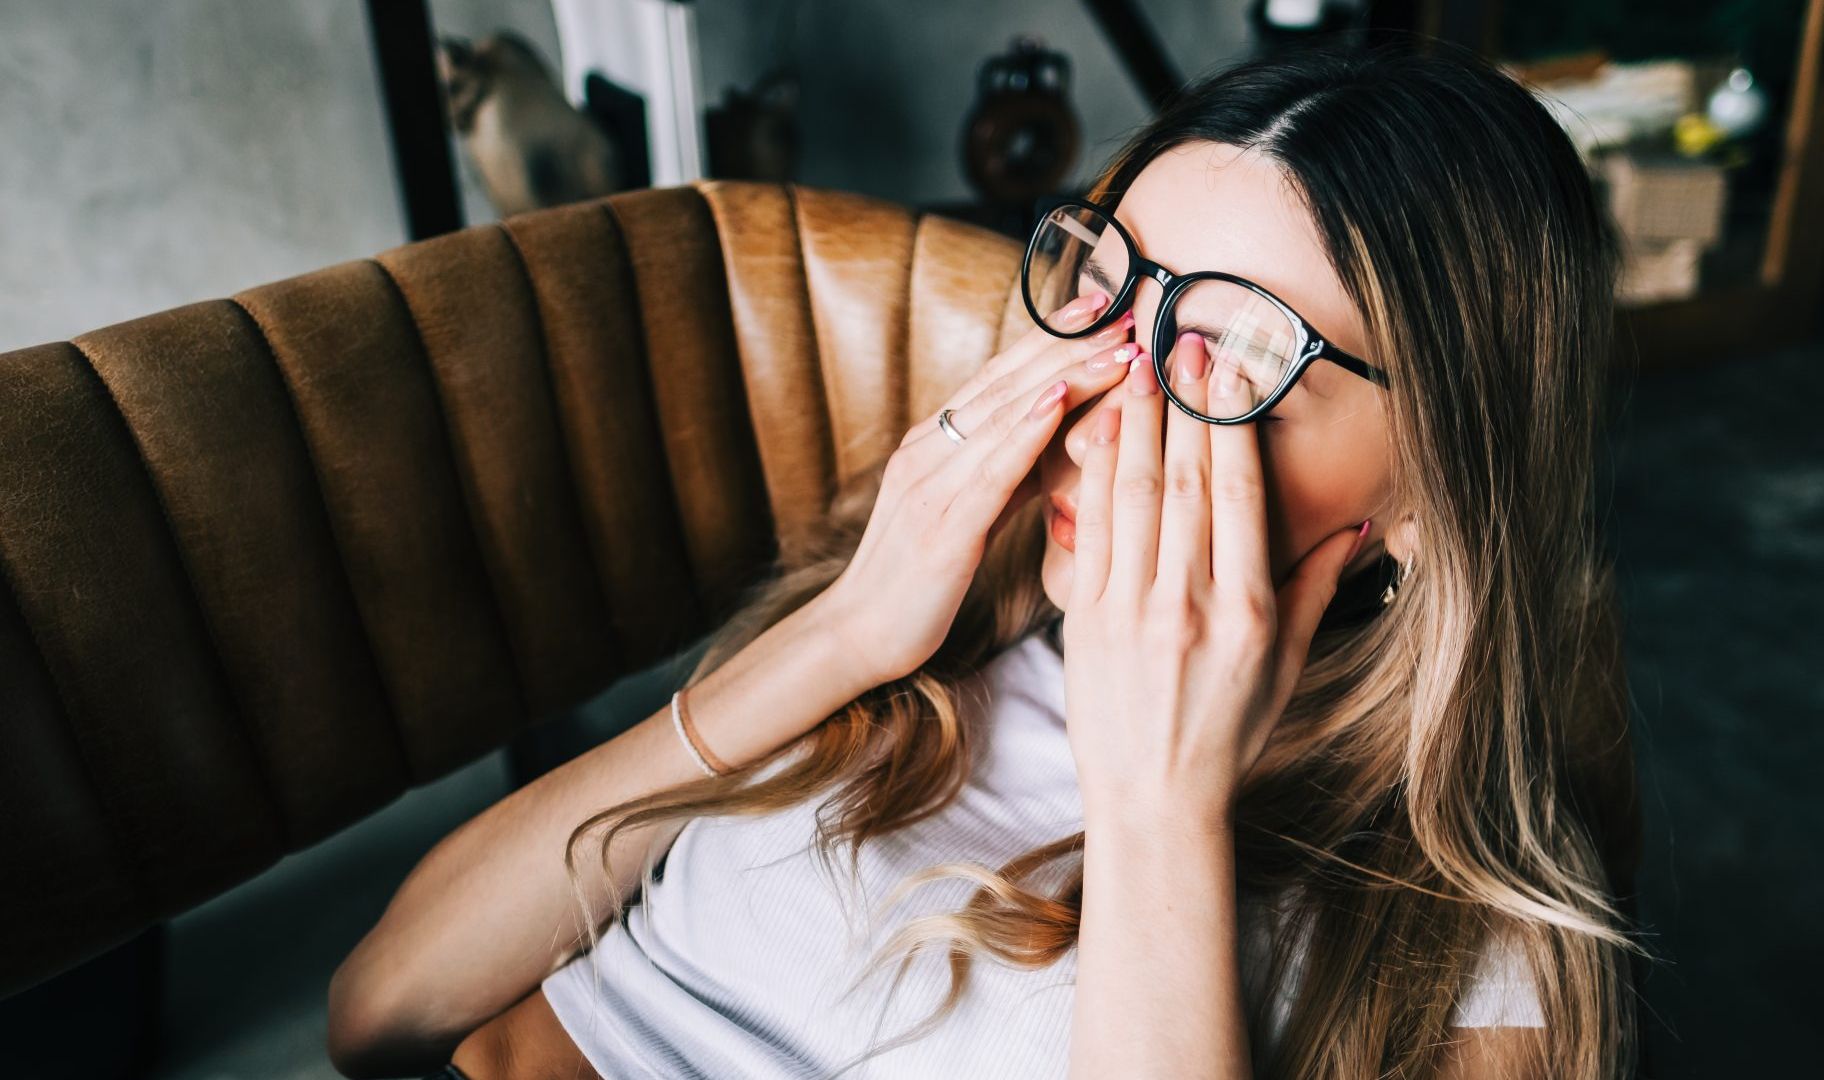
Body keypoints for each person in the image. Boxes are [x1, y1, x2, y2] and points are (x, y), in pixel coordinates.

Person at [329, 40, 1644, 1080]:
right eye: (1113, 292)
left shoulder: (1476, 952)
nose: (1107, 405)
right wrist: (845, 630)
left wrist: (1157, 810)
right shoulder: (931, 622)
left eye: (1237, 353)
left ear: (1438, 488)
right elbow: (382, 1010)